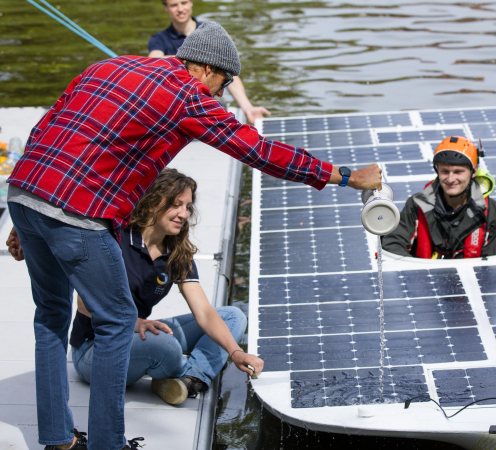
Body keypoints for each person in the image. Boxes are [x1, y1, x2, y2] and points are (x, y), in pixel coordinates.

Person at [4, 21, 380, 450]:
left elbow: (49, 127)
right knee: (118, 320)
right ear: (205, 69)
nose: (220, 95)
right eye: (223, 84)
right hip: (76, 213)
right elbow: (257, 150)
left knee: (50, 318)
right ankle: (107, 444)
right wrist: (343, 176)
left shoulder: (109, 66)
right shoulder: (188, 96)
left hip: (26, 192)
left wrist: (24, 212)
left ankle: (56, 437)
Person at [69, 169, 260, 407]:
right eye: (176, 205)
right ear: (152, 202)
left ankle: (189, 379)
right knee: (165, 346)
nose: (183, 214)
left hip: (138, 337)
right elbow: (85, 301)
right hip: (95, 349)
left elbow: (204, 312)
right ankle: (185, 372)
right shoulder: (117, 238)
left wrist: (235, 353)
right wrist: (132, 322)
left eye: (188, 207)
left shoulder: (177, 251)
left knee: (232, 316)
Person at [382, 136, 496, 259]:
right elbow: (393, 244)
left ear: (474, 171)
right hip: (425, 277)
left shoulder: (491, 213)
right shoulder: (417, 205)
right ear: (437, 171)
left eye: (458, 172)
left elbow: (495, 265)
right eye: (445, 171)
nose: (451, 179)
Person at [148, 0, 269, 124]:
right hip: (178, 102)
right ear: (166, 8)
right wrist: (196, 60)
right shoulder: (159, 39)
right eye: (174, 5)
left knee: (219, 100)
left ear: (191, 3)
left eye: (184, 3)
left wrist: (247, 108)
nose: (180, 9)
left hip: (208, 98)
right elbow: (154, 61)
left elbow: (228, 73)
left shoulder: (211, 33)